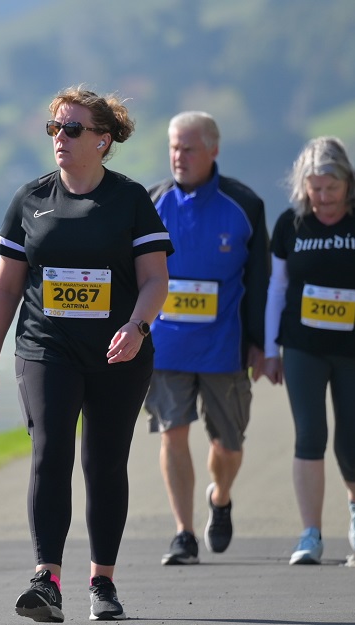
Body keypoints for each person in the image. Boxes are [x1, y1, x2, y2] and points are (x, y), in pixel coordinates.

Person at [0, 85, 171, 623]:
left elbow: (156, 280)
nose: (60, 137)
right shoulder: (30, 199)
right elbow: (6, 289)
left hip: (117, 352)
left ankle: (102, 581)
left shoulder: (130, 200)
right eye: (55, 127)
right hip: (46, 348)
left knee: (104, 462)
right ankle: (47, 579)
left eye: (73, 128)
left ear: (103, 140)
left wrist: (137, 326)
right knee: (50, 451)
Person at [262, 136, 355, 565]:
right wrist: (270, 349)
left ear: (349, 183)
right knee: (309, 436)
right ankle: (310, 534)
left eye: (332, 188)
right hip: (303, 347)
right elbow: (277, 289)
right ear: (303, 187)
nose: (323, 198)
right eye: (315, 189)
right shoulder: (290, 224)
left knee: (352, 450)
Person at [146, 111, 269, 566]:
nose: (179, 156)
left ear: (214, 150)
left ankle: (220, 497)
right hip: (166, 346)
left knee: (229, 446)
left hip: (225, 348)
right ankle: (183, 534)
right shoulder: (152, 202)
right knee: (172, 434)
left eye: (189, 148)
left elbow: (261, 281)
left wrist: (261, 343)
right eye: (173, 147)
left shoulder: (244, 204)